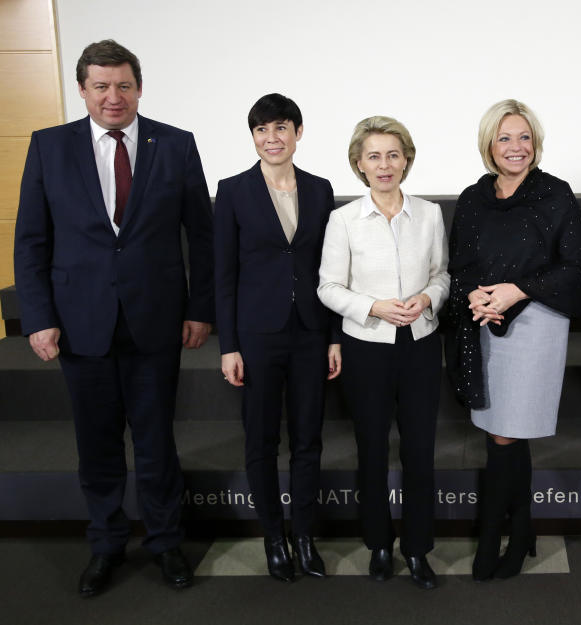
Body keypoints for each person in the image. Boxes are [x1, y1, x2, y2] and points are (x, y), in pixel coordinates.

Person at [13, 40, 213, 596]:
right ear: (82, 90)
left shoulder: (175, 144)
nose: (113, 96)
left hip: (156, 319)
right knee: (97, 445)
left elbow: (202, 232)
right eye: (100, 86)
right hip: (79, 322)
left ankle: (167, 542)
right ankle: (105, 545)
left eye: (123, 85)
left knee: (155, 442)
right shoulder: (50, 147)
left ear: (139, 87)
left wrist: (201, 309)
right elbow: (31, 239)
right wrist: (38, 317)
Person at [446, 99, 581, 581]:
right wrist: (480, 300)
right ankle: (522, 527)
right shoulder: (472, 197)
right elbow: (460, 264)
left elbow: (573, 265)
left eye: (524, 137)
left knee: (507, 432)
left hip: (537, 322)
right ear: (489, 143)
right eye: (505, 137)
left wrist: (514, 292)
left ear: (536, 143)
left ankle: (494, 537)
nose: (516, 147)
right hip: (483, 320)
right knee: (500, 432)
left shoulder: (555, 194)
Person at [318, 116, 449, 589]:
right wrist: (373, 305)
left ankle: (417, 550)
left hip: (419, 345)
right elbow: (328, 288)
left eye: (394, 154)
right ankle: (378, 545)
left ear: (407, 159)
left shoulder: (430, 214)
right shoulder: (343, 220)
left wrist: (429, 297)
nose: (385, 164)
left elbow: (442, 274)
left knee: (419, 451)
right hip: (366, 348)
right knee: (371, 450)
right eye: (374, 155)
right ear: (359, 164)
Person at [214, 93, 341, 582]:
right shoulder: (233, 190)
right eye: (262, 130)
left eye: (281, 128)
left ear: (298, 132)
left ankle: (304, 536)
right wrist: (229, 345)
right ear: (253, 137)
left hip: (310, 331)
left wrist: (332, 336)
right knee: (262, 441)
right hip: (257, 335)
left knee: (308, 438)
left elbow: (330, 268)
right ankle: (274, 537)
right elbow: (223, 274)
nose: (272, 138)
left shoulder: (320, 188)